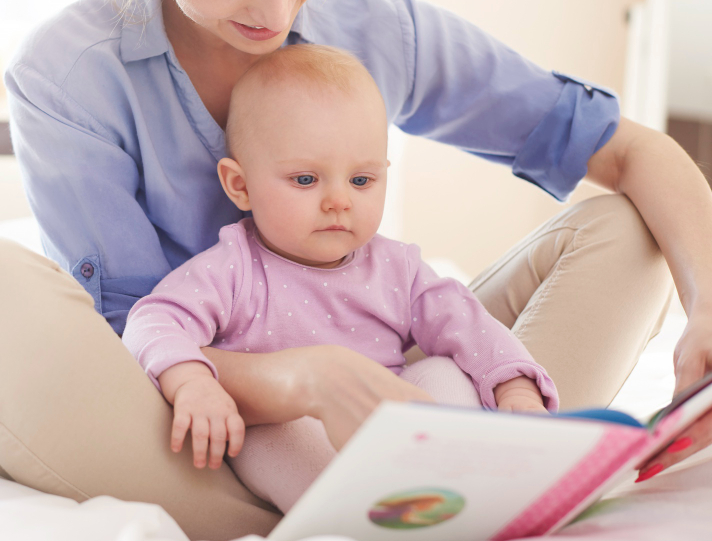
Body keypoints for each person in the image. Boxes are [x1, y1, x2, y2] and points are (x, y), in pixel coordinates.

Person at [0, 0, 712, 541]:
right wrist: (305, 379)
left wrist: (708, 301)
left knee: (631, 227)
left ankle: (469, 467)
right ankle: (376, 509)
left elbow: (628, 151)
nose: (277, 10)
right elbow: (138, 340)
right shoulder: (71, 72)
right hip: (193, 421)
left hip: (386, 398)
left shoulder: (373, 30)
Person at [121, 43, 559, 513]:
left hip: (395, 433)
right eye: (306, 180)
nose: (339, 201)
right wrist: (192, 382)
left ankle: (452, 486)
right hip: (296, 432)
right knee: (269, 438)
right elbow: (153, 321)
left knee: (447, 371)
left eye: (361, 181)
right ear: (240, 185)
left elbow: (472, 326)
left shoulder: (399, 268)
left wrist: (516, 389)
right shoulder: (233, 267)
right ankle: (350, 513)